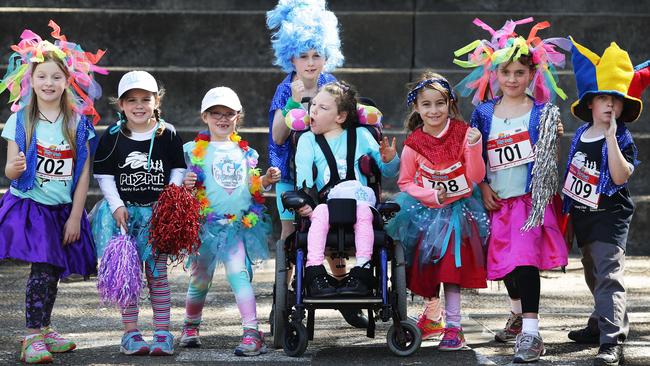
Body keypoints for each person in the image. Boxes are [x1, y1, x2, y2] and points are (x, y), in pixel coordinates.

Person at [454, 18, 570, 362]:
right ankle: (518, 315)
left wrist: (554, 136)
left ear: (532, 74)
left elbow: (548, 158)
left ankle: (532, 333)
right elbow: (473, 154)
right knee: (506, 263)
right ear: (494, 75)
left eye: (520, 72)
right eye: (506, 73)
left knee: (524, 261)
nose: (513, 79)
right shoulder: (484, 112)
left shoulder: (543, 112)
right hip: (496, 201)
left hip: (529, 201)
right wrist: (483, 186)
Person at [0, 21, 104, 364]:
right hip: (31, 206)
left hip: (62, 208)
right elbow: (10, 169)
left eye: (56, 77)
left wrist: (76, 215)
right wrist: (13, 169)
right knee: (43, 268)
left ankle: (43, 329)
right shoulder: (21, 119)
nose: (49, 83)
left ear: (67, 80)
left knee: (55, 269)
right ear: (31, 79)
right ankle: (32, 336)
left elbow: (83, 173)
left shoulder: (78, 123)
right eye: (42, 76)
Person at [266, 0, 368, 327]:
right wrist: (296, 101)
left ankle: (342, 288)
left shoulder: (333, 86)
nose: (310, 62)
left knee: (335, 228)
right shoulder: (286, 88)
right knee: (290, 232)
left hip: (329, 175)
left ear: (327, 55)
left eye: (316, 55)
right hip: (291, 174)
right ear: (290, 57)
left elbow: (351, 123)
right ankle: (282, 292)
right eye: (303, 55)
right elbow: (278, 137)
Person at [387, 72, 489, 350]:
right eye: (427, 105)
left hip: (458, 213)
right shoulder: (414, 143)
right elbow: (405, 182)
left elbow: (476, 176)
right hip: (423, 213)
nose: (434, 110)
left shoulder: (464, 133)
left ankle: (455, 327)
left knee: (451, 269)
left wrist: (475, 146)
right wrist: (430, 194)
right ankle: (433, 315)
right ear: (417, 108)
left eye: (440, 103)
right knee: (422, 269)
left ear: (450, 104)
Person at [563, 38, 648, 366]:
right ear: (590, 104)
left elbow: (621, 174)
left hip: (610, 216)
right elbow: (572, 178)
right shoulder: (581, 135)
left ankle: (611, 339)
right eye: (602, 98)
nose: (609, 104)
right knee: (593, 272)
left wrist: (612, 137)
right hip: (584, 216)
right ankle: (601, 320)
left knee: (608, 273)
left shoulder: (621, 136)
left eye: (615, 99)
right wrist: (567, 216)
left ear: (623, 106)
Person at [179, 87, 280, 356]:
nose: (222, 119)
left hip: (236, 226)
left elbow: (251, 186)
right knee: (200, 280)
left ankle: (251, 331)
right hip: (206, 227)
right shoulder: (194, 151)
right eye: (216, 114)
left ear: (238, 116)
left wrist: (266, 181)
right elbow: (187, 184)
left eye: (229, 114)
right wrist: (187, 183)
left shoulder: (246, 153)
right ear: (205, 117)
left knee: (239, 276)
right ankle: (190, 325)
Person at [92, 70, 185, 356]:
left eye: (146, 98)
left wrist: (170, 198)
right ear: (120, 105)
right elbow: (104, 174)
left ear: (157, 101)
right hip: (126, 218)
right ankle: (131, 333)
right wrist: (116, 205)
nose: (139, 105)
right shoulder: (113, 136)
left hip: (157, 217)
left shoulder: (167, 133)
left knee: (157, 276)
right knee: (128, 275)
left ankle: (162, 332)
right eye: (131, 100)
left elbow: (178, 168)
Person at [291, 81, 398, 297]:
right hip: (327, 204)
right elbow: (303, 178)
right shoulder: (307, 140)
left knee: (363, 213)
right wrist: (303, 202)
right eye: (313, 105)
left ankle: (363, 271)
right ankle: (314, 271)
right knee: (319, 212)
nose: (313, 110)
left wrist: (390, 159)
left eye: (323, 108)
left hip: (359, 200)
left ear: (340, 116)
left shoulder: (362, 136)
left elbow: (387, 172)